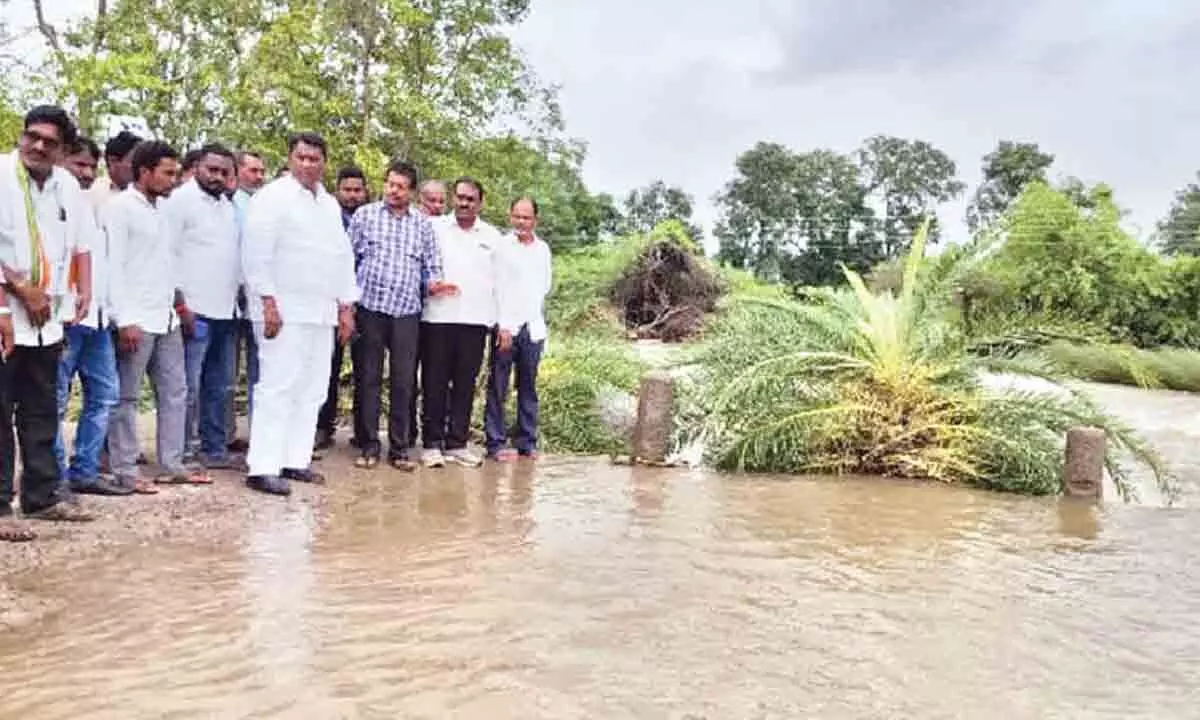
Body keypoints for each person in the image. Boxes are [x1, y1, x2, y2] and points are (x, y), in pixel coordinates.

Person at [0, 105, 96, 542]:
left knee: (41, 410)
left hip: (47, 320)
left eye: (49, 142)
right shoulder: (2, 175)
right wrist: (17, 294)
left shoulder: (68, 187)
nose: (37, 146)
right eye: (31, 136)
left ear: (62, 151)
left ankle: (41, 497)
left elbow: (81, 244)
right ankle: (1, 506)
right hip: (5, 314)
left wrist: (84, 292)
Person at [241, 132, 357, 496]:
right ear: (291, 159)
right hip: (282, 309)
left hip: (320, 311)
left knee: (312, 388)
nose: (308, 164)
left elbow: (341, 257)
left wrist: (345, 305)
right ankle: (262, 466)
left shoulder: (327, 204)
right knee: (277, 385)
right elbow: (256, 251)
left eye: (315, 159)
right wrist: (267, 300)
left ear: (324, 163)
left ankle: (295, 460)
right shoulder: (272, 198)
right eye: (302, 158)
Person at [106, 140, 207, 492]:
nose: (173, 180)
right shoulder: (120, 209)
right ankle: (125, 470)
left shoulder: (165, 210)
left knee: (176, 391)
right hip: (136, 317)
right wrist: (124, 319)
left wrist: (181, 305)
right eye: (167, 173)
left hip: (166, 316)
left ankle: (172, 464)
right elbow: (113, 266)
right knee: (127, 397)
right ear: (144, 171)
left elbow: (169, 262)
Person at [349, 160, 448, 471]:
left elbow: (432, 265)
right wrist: (346, 305)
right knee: (368, 379)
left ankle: (399, 449)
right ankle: (368, 445)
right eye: (390, 184)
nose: (393, 191)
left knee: (404, 382)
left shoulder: (422, 225)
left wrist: (434, 283)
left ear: (411, 192)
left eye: (401, 187)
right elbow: (347, 260)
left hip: (407, 313)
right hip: (370, 310)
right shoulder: (365, 216)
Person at [53, 136, 129, 497]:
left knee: (105, 393)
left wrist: (113, 311)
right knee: (54, 399)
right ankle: (51, 477)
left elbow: (107, 265)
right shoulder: (51, 202)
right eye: (78, 164)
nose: (85, 173)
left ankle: (84, 470)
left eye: (90, 166)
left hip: (97, 318)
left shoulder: (100, 205)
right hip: (63, 318)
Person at [166, 143, 240, 470]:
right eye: (212, 169)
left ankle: (214, 449)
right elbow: (167, 255)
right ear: (197, 167)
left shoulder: (227, 205)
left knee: (220, 386)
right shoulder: (179, 201)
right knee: (188, 386)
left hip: (226, 311)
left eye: (225, 172)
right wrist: (180, 305)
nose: (217, 177)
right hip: (193, 310)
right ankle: (182, 451)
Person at [420, 177, 502, 469]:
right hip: (438, 318)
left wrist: (497, 322)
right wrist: (428, 285)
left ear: (480, 203)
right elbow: (420, 264)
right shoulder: (433, 227)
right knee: (434, 381)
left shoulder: (492, 237)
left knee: (465, 384)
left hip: (475, 321)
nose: (464, 203)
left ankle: (456, 442)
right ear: (453, 198)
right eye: (460, 197)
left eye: (471, 199)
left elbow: (498, 282)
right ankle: (431, 444)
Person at [486, 197, 552, 461]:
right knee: (498, 386)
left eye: (526, 218)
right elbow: (496, 287)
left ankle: (527, 441)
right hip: (506, 327)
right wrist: (503, 325)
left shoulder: (543, 249)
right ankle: (496, 443)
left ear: (535, 220)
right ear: (510, 217)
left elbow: (545, 285)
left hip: (533, 327)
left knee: (528, 386)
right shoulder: (501, 247)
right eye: (517, 217)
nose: (521, 222)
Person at [315, 165, 368, 451]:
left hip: (365, 306)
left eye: (357, 190)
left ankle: (363, 430)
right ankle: (323, 427)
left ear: (365, 192)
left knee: (365, 369)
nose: (352, 195)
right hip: (329, 304)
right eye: (346, 190)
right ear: (338, 190)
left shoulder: (372, 218)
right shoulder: (327, 218)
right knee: (327, 367)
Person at [226, 150, 266, 454]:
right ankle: (223, 435)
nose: (259, 176)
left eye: (261, 171)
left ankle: (260, 436)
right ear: (237, 171)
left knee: (260, 372)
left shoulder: (261, 205)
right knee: (226, 372)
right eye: (253, 170)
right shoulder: (228, 204)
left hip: (257, 299)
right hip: (229, 297)